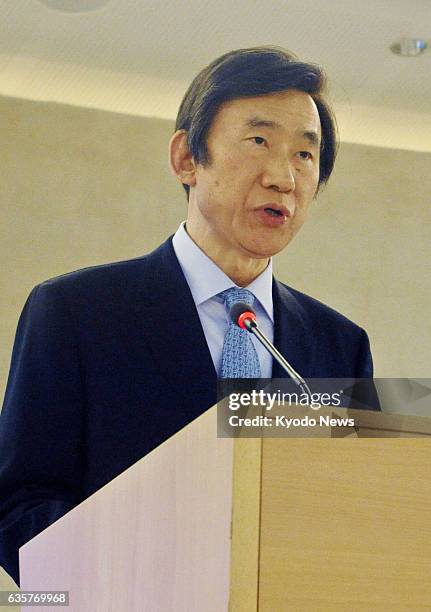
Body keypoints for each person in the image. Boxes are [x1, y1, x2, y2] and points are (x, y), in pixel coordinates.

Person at [0, 46, 377, 586]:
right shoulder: (78, 312)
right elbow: (20, 504)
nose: (283, 177)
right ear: (186, 158)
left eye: (305, 155)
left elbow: (351, 515)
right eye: (259, 141)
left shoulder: (339, 344)